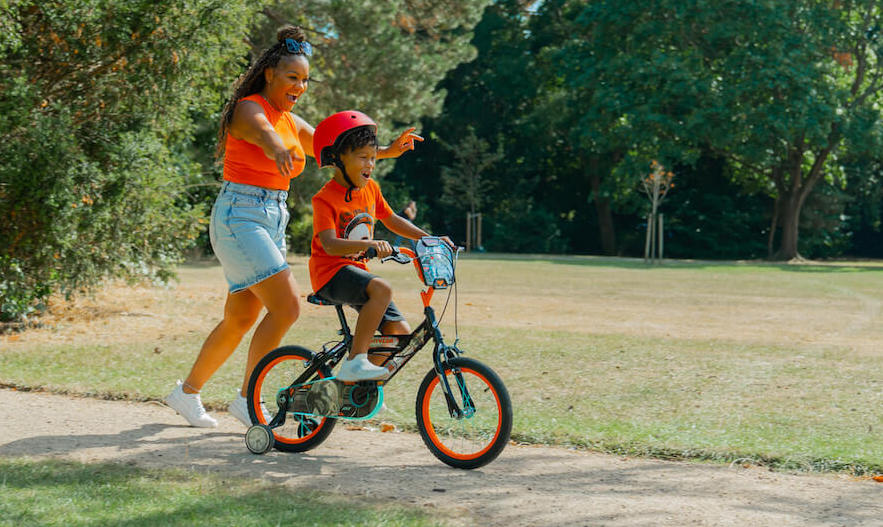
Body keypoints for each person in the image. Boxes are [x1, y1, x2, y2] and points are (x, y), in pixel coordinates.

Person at [165, 26, 423, 427]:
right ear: (270, 74)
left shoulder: (291, 120)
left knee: (241, 317)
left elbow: (331, 145)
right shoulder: (250, 109)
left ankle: (187, 393)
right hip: (241, 216)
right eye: (292, 77)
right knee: (285, 306)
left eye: (304, 80)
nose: (300, 86)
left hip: (270, 218)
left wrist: (386, 150)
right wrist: (277, 147)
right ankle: (249, 399)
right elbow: (263, 134)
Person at [308, 111, 452, 381]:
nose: (371, 164)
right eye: (363, 157)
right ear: (338, 159)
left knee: (398, 335)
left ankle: (356, 389)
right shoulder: (324, 198)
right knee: (382, 288)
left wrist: (427, 238)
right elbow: (328, 245)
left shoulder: (371, 189)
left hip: (357, 273)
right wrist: (372, 244)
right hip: (330, 274)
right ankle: (355, 362)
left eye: (373, 158)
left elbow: (391, 219)